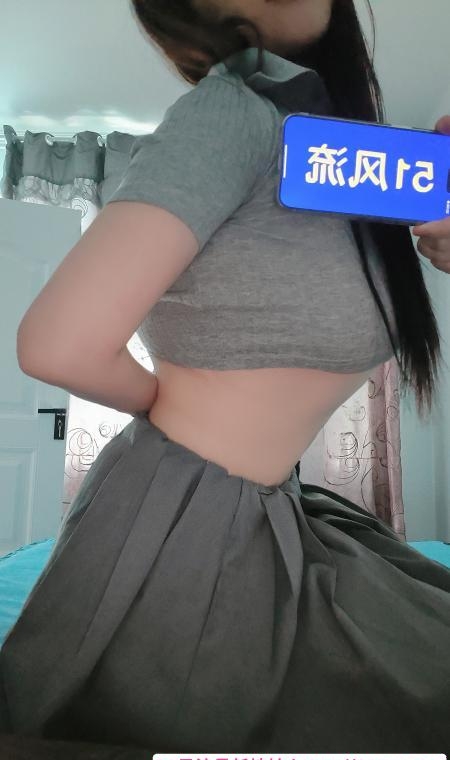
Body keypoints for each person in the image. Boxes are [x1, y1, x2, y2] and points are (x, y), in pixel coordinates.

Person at [1, 0, 450, 753]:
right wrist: (160, 401)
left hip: (265, 509)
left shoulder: (331, 147)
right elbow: (56, 345)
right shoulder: (231, 113)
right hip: (183, 521)